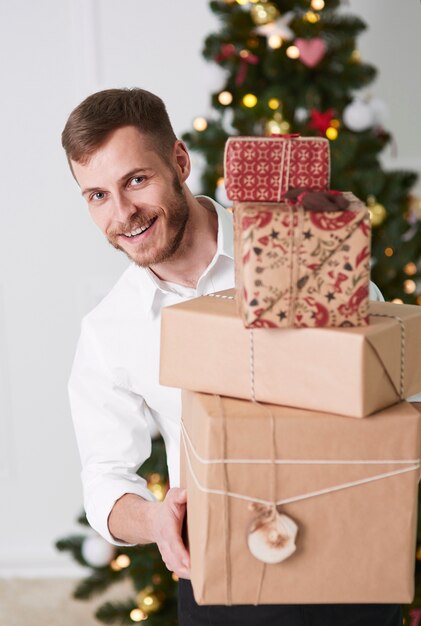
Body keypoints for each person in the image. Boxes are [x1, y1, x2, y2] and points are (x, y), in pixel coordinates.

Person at [63, 87, 412, 626]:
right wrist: (155, 521)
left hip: (349, 553)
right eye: (97, 195)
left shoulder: (297, 246)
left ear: (179, 160)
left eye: (136, 180)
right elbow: (105, 477)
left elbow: (397, 377)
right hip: (222, 575)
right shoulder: (110, 330)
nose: (123, 212)